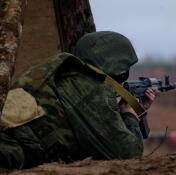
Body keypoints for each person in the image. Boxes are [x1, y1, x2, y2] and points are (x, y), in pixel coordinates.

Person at [0, 31, 159, 169]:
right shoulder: (93, 91)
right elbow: (128, 154)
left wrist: (133, 108)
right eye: (124, 74)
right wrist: (130, 116)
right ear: (116, 70)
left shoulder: (66, 74)